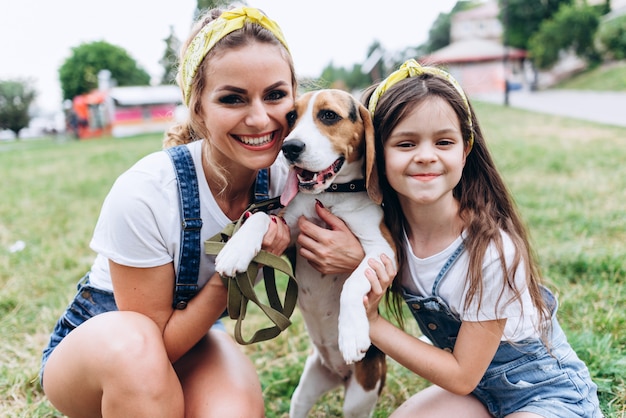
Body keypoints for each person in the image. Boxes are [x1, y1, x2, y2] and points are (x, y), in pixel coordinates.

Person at [40, 6, 361, 417]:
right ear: (198, 109)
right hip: (107, 345)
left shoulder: (295, 175)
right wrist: (234, 273)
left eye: (276, 95)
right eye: (232, 98)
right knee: (138, 356)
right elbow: (158, 348)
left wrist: (355, 255)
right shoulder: (146, 193)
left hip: (195, 336)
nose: (260, 118)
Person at [360, 59, 603, 418]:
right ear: (377, 152)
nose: (426, 156)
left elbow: (460, 376)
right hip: (481, 394)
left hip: (548, 395)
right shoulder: (389, 234)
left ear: (465, 149)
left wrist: (370, 323)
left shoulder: (491, 250)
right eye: (406, 143)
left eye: (444, 141)